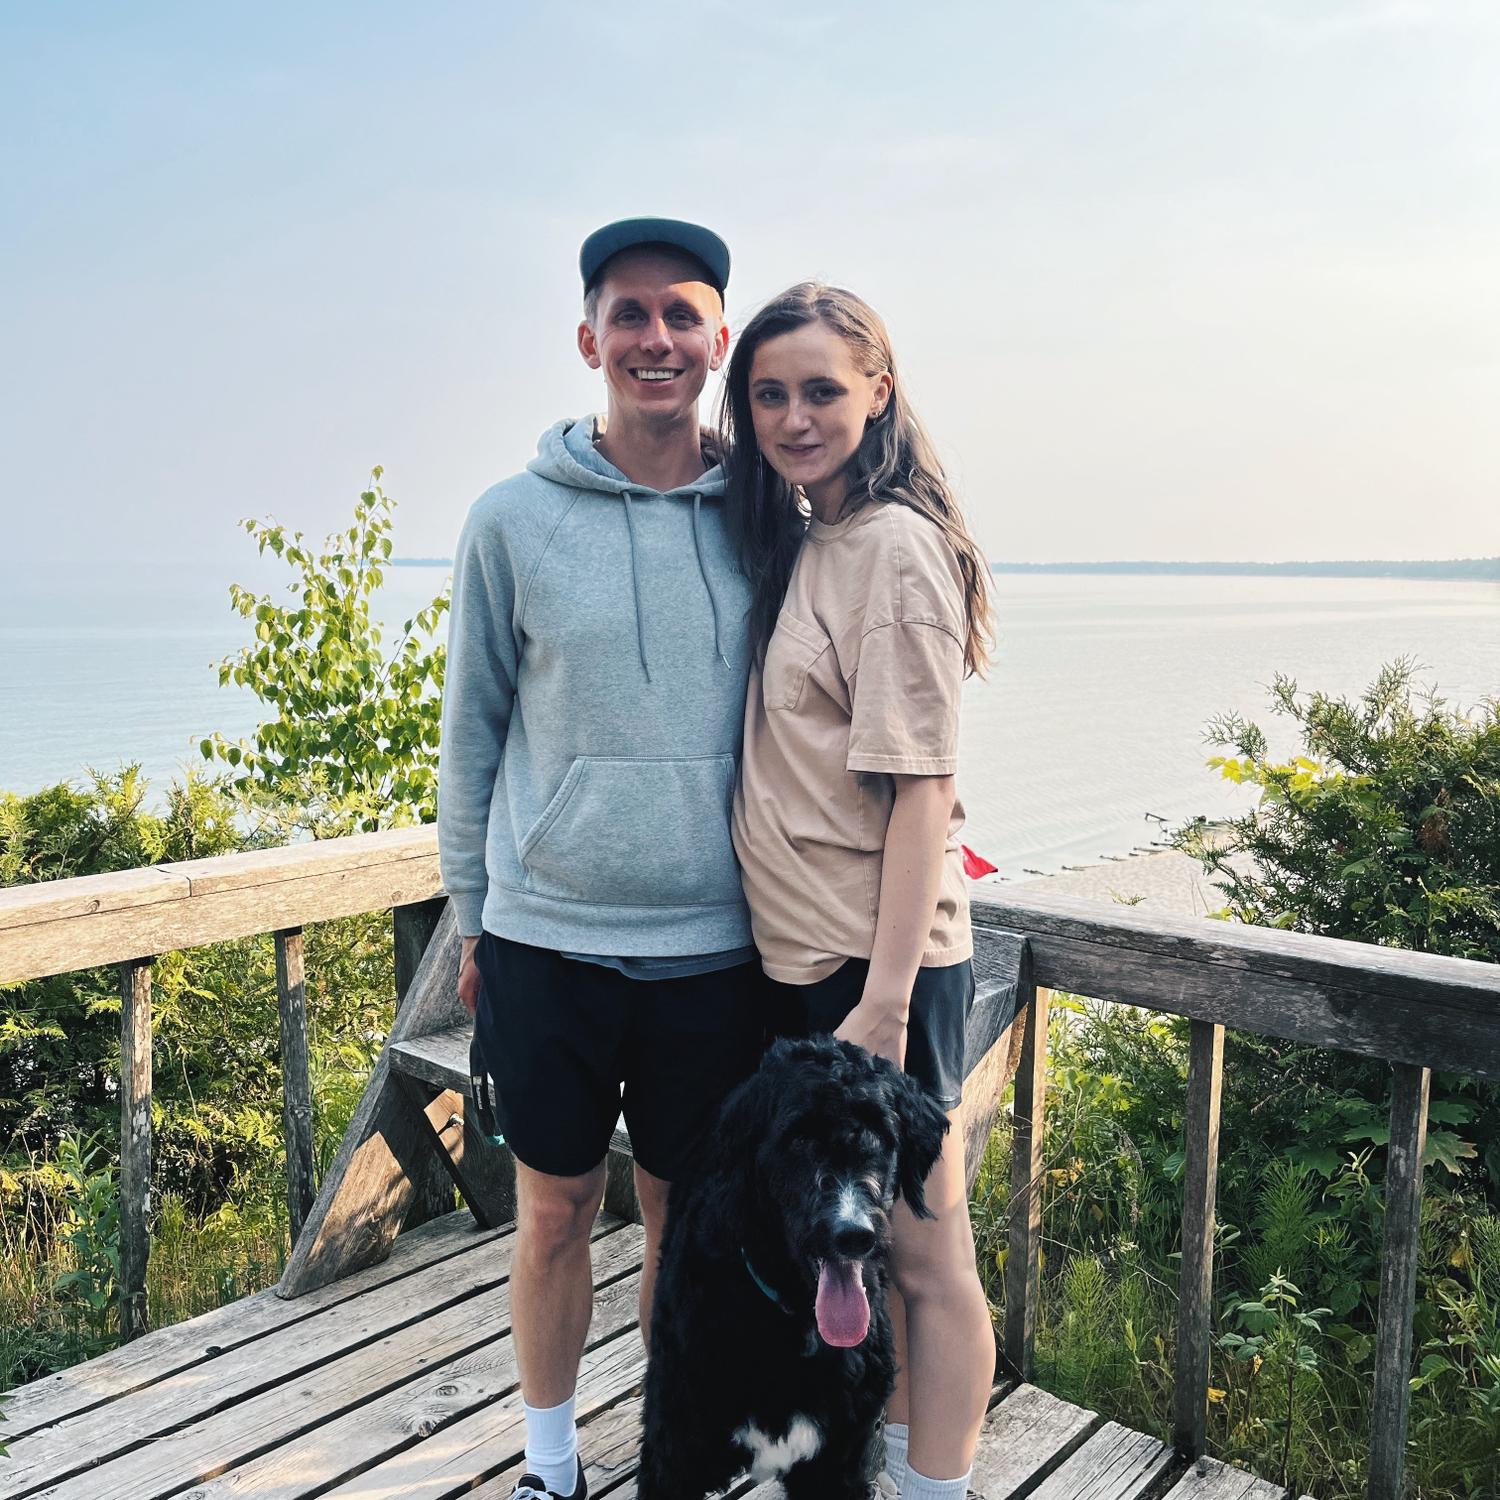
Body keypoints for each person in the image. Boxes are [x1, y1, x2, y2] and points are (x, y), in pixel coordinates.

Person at [438, 218, 766, 1500]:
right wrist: (474, 916)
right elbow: (471, 734)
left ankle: (674, 1459)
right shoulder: (510, 521)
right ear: (588, 340)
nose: (656, 338)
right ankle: (550, 1465)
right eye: (629, 314)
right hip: (547, 941)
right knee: (554, 1214)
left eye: (683, 315)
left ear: (719, 341)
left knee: (686, 1226)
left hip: (716, 947)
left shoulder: (766, 517)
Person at [725, 283, 997, 1500]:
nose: (795, 417)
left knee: (927, 1259)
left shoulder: (894, 549)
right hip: (810, 960)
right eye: (769, 394)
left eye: (823, 390)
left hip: (875, 966)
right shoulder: (814, 536)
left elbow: (924, 792)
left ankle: (937, 1490)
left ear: (879, 391)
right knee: (863, 1255)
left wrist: (883, 1002)